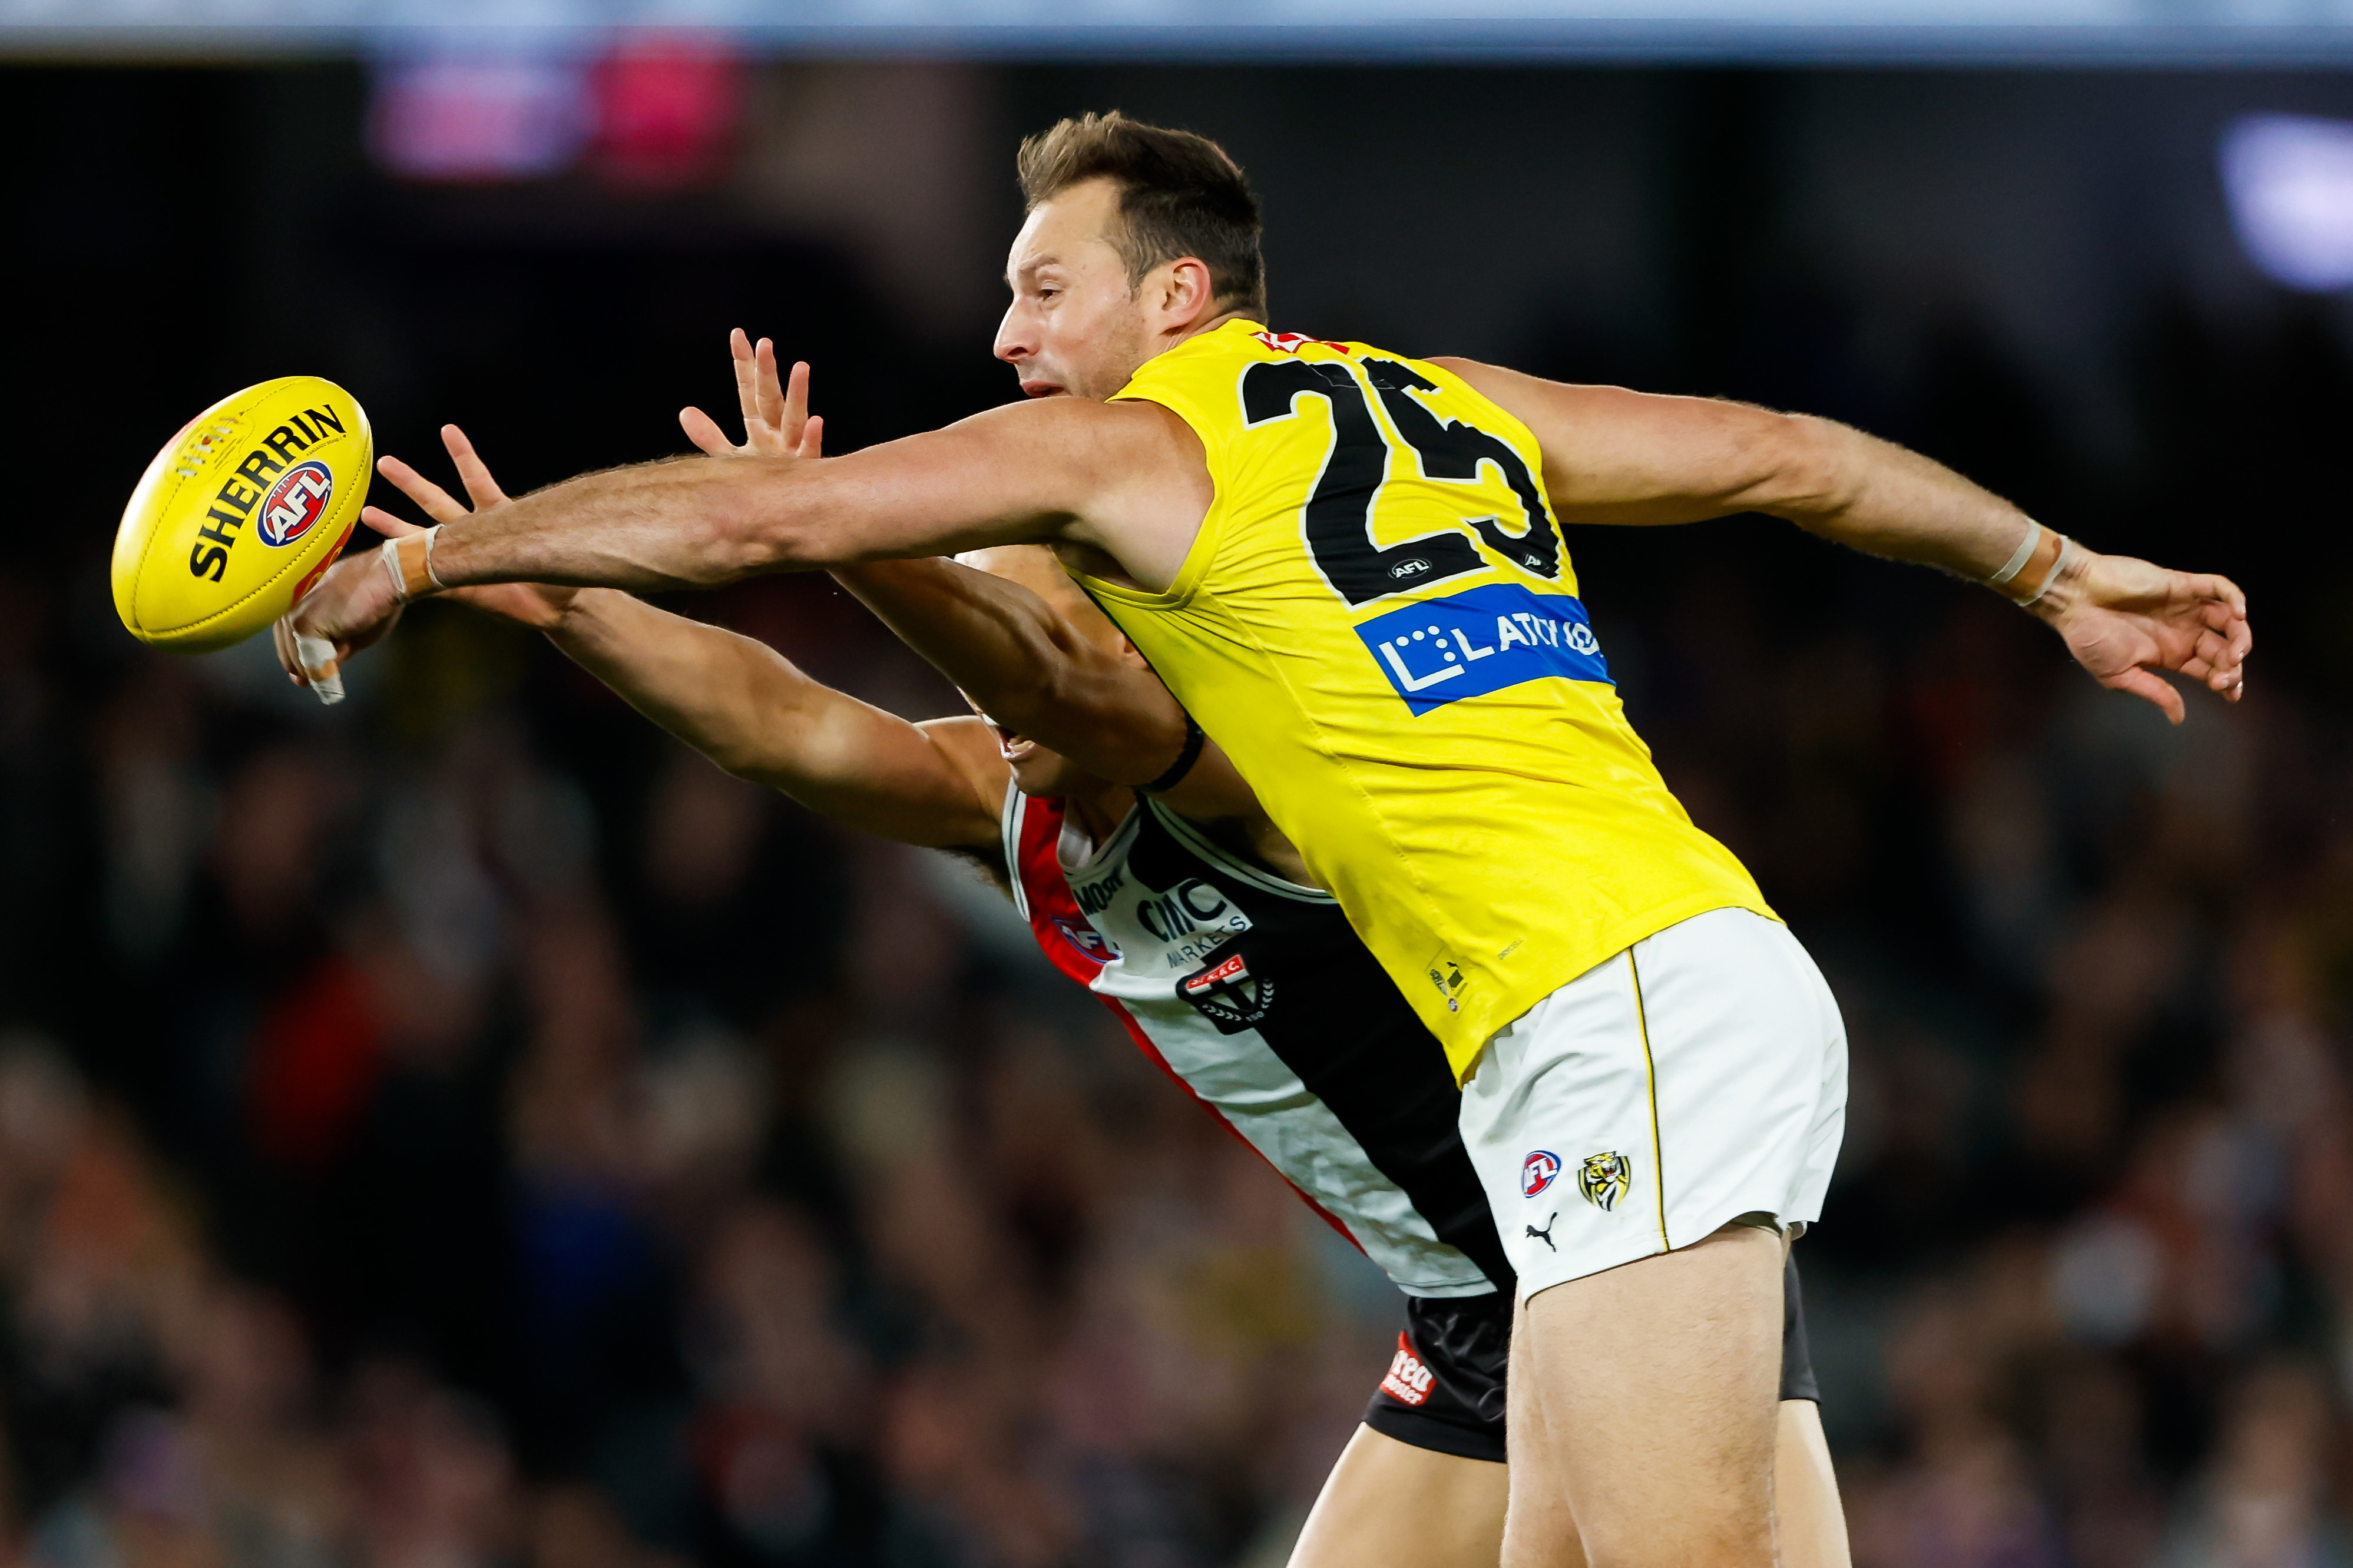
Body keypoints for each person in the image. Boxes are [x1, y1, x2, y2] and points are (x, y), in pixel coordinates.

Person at [281, 115, 2247, 1566]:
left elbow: (782, 541)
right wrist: (2049, 567)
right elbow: (1778, 457)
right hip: (1605, 1068)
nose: (1003, 337)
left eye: (1038, 290)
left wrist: (449, 556)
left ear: (1175, 297)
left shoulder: (1143, 471)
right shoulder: (1430, 407)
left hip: (1608, 1012)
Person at [332, 339, 1851, 1568]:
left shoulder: (1216, 758)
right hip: (1469, 1314)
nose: (1003, 683)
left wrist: (829, 527)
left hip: (1595, 1240)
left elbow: (1048, 672)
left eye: (1032, 624)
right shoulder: (1008, 813)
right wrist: (565, 605)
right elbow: (783, 721)